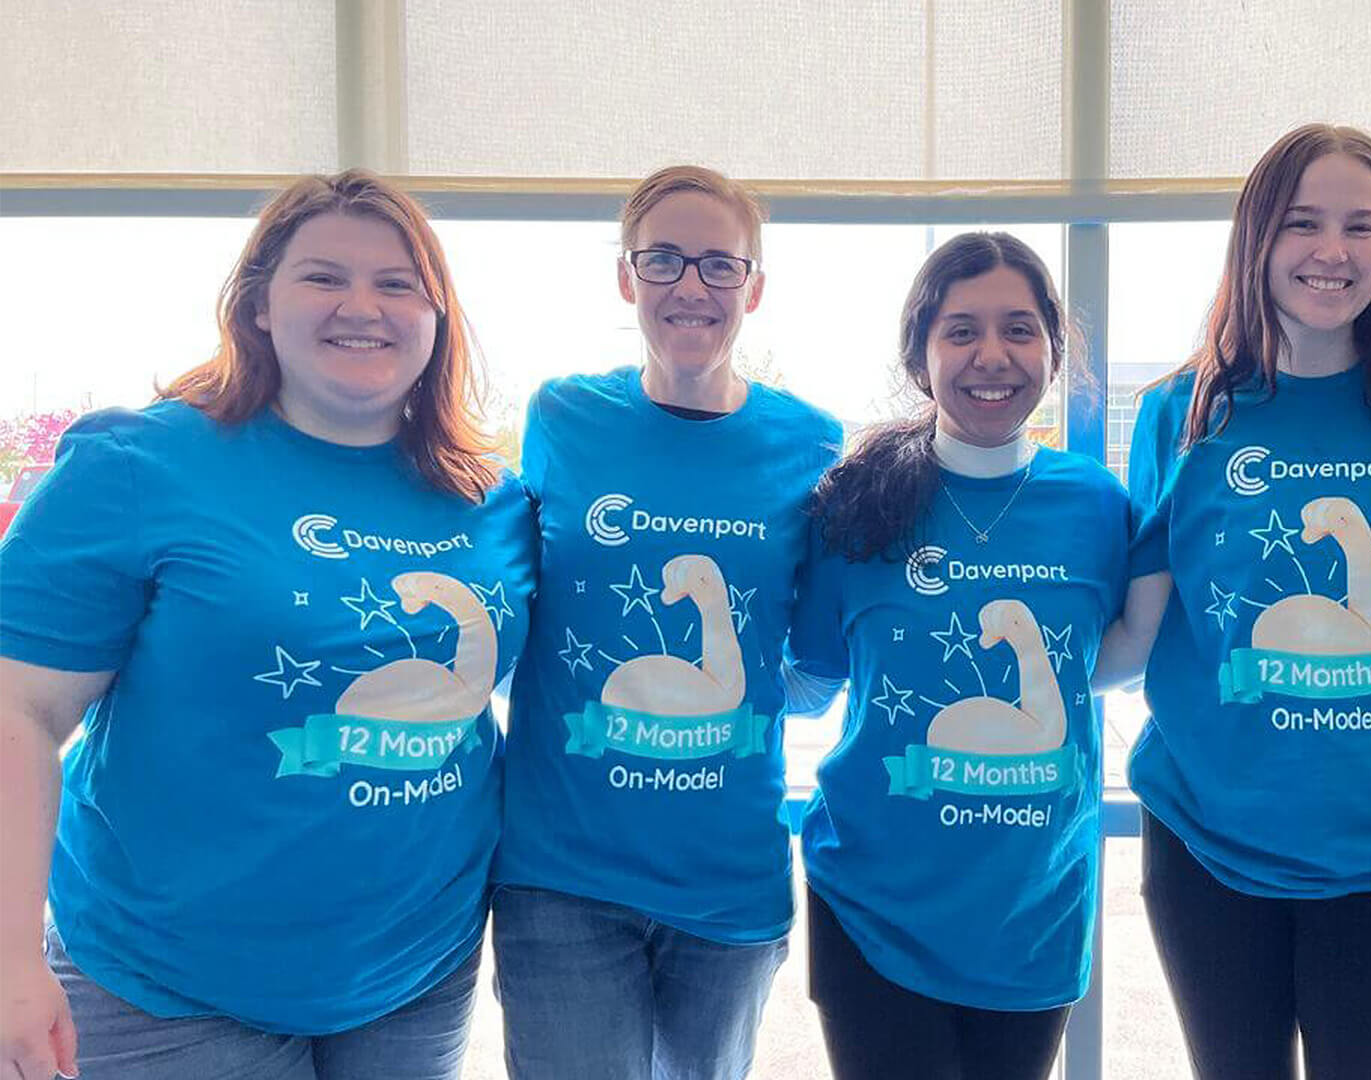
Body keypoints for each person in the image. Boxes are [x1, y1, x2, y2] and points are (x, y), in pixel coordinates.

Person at [0, 169, 535, 1080]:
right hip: (166, 984)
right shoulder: (137, 464)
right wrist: (10, 957)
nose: (361, 305)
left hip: (416, 974)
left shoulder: (493, 498)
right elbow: (21, 713)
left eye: (397, 283)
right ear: (257, 306)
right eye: (323, 276)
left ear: (437, 317)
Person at [1107, 123, 1371, 1079]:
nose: (1332, 252)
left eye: (1360, 227)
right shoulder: (1186, 409)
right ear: (1256, 237)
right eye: (1302, 223)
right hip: (1205, 838)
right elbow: (1139, 626)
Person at [490, 165, 841, 1080]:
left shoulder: (811, 442)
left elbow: (812, 650)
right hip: (563, 879)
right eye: (665, 260)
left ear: (754, 288)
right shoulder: (563, 416)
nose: (691, 286)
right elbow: (510, 585)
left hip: (730, 879)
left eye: (720, 265)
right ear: (626, 278)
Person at [788, 232, 1132, 1079]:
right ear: (920, 354)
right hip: (873, 906)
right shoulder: (855, 505)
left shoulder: (1096, 505)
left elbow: (1126, 652)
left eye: (1019, 328)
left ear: (1053, 350)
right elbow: (811, 678)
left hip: (1035, 914)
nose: (992, 355)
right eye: (961, 330)